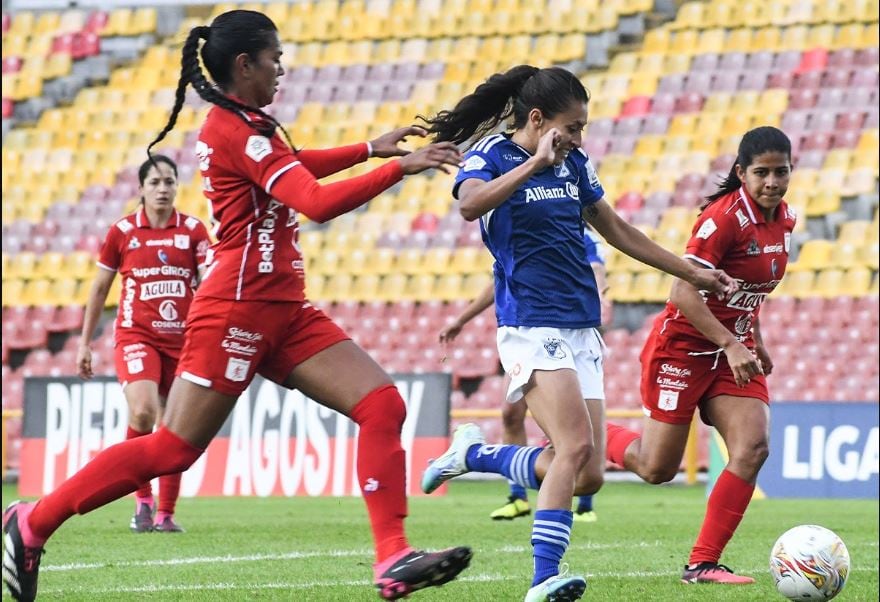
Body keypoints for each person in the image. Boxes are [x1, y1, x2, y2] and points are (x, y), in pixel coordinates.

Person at [2, 10, 470, 602]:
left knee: (382, 405)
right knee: (173, 447)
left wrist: (366, 150)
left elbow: (292, 169)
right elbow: (313, 202)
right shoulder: (234, 128)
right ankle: (32, 520)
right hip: (237, 310)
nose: (282, 68)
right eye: (274, 58)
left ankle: (392, 557)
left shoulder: (247, 124)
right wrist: (397, 167)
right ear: (244, 64)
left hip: (285, 308)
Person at [417, 65, 737, 602]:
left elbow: (616, 230)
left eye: (583, 128)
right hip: (528, 322)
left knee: (586, 473)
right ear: (538, 120)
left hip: (581, 326)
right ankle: (543, 578)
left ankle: (475, 456)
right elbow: (470, 204)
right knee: (572, 447)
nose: (579, 139)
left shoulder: (575, 164)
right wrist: (534, 164)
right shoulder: (491, 157)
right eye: (573, 127)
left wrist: (691, 271)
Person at [600, 126, 795, 585]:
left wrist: (755, 339)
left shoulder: (784, 219)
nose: (772, 182)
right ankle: (585, 432)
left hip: (733, 352)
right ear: (741, 173)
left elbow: (749, 290)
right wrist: (730, 343)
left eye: (781, 172)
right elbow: (683, 293)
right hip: (684, 349)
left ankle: (702, 563)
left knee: (752, 448)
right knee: (656, 468)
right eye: (762, 173)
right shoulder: (722, 219)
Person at [439, 225, 611, 522]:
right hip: (525, 329)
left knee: (573, 449)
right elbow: (500, 276)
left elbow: (596, 268)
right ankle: (517, 497)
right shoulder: (516, 221)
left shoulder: (580, 230)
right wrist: (462, 318)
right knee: (511, 414)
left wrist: (599, 295)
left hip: (569, 329)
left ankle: (583, 503)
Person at [76, 155, 210, 534]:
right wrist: (84, 344)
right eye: (155, 182)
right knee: (143, 413)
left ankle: (166, 514)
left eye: (170, 181)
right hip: (137, 336)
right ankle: (143, 501)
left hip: (184, 341)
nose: (163, 188)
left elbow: (213, 279)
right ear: (141, 189)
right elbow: (100, 287)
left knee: (175, 427)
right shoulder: (123, 232)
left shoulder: (194, 232)